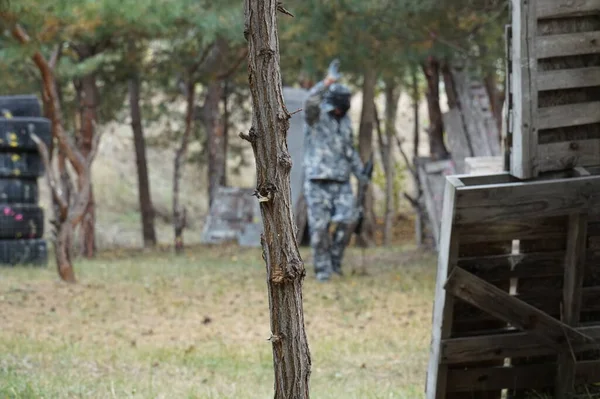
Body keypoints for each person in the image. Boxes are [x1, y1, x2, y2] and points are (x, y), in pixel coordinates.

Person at [302, 71, 367, 282]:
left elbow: (349, 150)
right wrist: (326, 82)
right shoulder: (317, 116)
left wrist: (361, 173)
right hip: (317, 181)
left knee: (349, 220)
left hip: (342, 181)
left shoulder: (346, 122)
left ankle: (335, 262)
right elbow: (310, 100)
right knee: (319, 228)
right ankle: (323, 270)